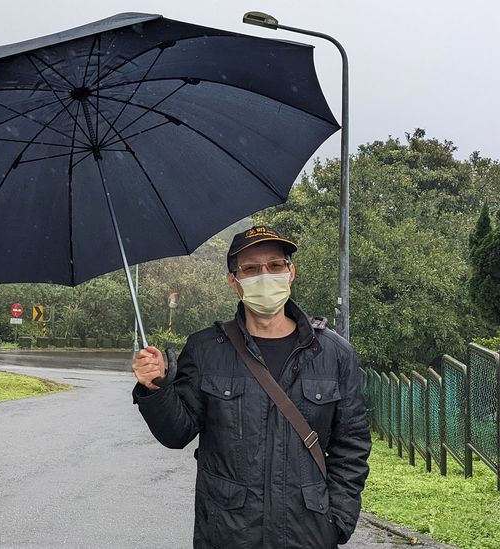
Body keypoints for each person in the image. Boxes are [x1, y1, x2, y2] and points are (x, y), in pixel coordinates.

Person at [132, 225, 371, 548]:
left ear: (291, 273)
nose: (264, 275)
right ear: (234, 281)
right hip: (228, 532)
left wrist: (337, 522)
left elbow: (351, 445)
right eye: (251, 269)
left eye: (275, 266)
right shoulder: (205, 349)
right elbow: (177, 434)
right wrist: (156, 387)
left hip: (309, 534)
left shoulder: (333, 353)